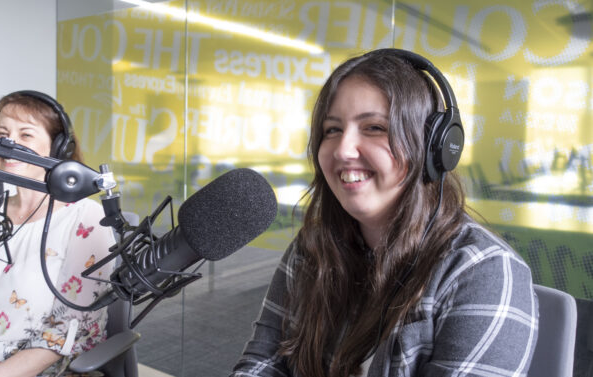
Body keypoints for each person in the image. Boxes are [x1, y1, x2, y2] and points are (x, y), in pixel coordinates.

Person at [231, 49, 538, 377]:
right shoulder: (314, 247)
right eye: (332, 130)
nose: (344, 149)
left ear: (433, 147)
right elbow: (262, 363)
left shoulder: (483, 272)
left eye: (374, 127)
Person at [0, 91, 115, 376]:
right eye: (2, 134)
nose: (9, 144)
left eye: (26, 135)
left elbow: (68, 334)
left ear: (57, 148)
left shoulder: (84, 218)